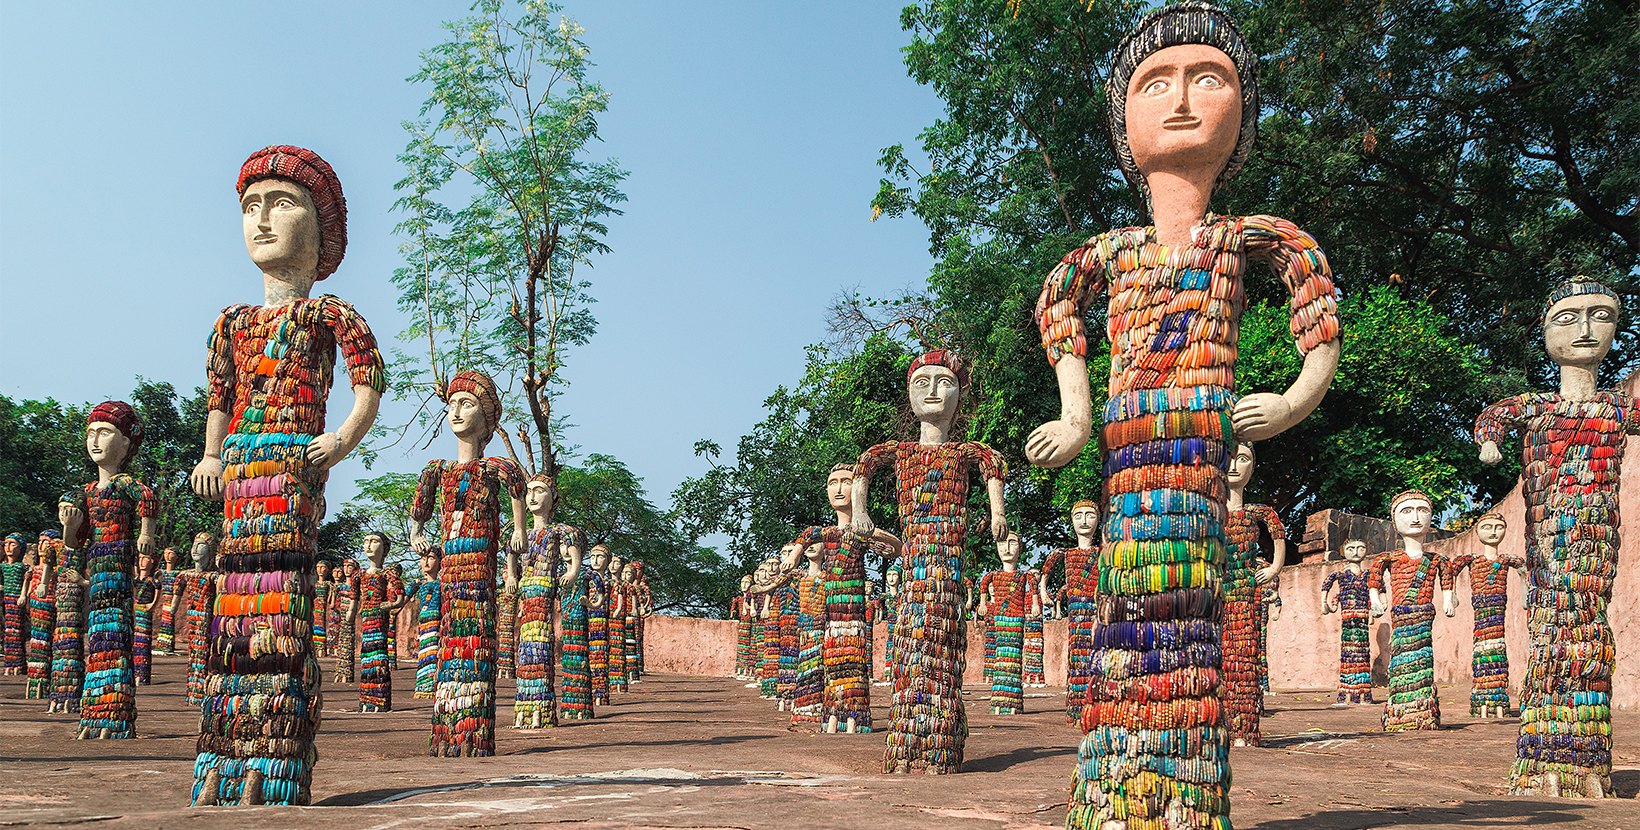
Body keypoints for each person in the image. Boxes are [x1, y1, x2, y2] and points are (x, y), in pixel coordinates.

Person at [1027, 5, 1341, 825]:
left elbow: (1314, 297)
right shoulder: (1110, 250)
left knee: (1190, 617)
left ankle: (1187, 792)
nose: (1180, 101)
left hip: (1203, 443)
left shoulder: (1250, 239)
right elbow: (1058, 306)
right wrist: (1076, 409)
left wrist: (1298, 396)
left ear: (1240, 119)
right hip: (1129, 453)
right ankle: (1116, 784)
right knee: (1125, 617)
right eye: (1153, 83)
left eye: (1209, 79)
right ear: (1122, 126)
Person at [189, 146, 384, 806]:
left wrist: (339, 440)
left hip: (293, 474)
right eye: (250, 207)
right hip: (241, 476)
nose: (262, 219)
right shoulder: (232, 324)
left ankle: (275, 757)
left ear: (322, 229)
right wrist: (212, 456)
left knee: (283, 608)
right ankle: (223, 748)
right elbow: (220, 399)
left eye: (281, 203)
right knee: (232, 613)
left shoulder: (330, 315)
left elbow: (368, 386)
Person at [1476, 276, 1639, 798]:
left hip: (1596, 548)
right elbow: (1491, 420)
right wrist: (1490, 445)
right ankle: (1546, 751)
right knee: (1553, 627)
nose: (1587, 329)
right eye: (1569, 318)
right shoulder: (1534, 407)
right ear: (1544, 333)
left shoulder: (1617, 410)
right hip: (1549, 545)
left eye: (1602, 315)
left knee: (1589, 630)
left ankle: (1585, 758)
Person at [851, 350, 1008, 774]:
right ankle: (906, 744)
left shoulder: (963, 453)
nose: (935, 391)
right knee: (909, 646)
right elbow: (865, 465)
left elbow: (993, 464)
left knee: (944, 648)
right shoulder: (900, 452)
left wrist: (997, 511)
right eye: (923, 382)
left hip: (949, 567)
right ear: (909, 394)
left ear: (959, 395)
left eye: (945, 382)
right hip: (914, 564)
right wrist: (862, 511)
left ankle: (942, 742)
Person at [410, 371, 527, 757]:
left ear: (487, 414)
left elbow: (517, 491)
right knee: (450, 638)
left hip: (479, 569)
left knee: (475, 636)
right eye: (451, 405)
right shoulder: (437, 472)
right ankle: (446, 729)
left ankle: (474, 734)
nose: (456, 412)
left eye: (467, 403)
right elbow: (420, 513)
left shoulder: (493, 468)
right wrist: (416, 531)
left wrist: (518, 529)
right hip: (451, 573)